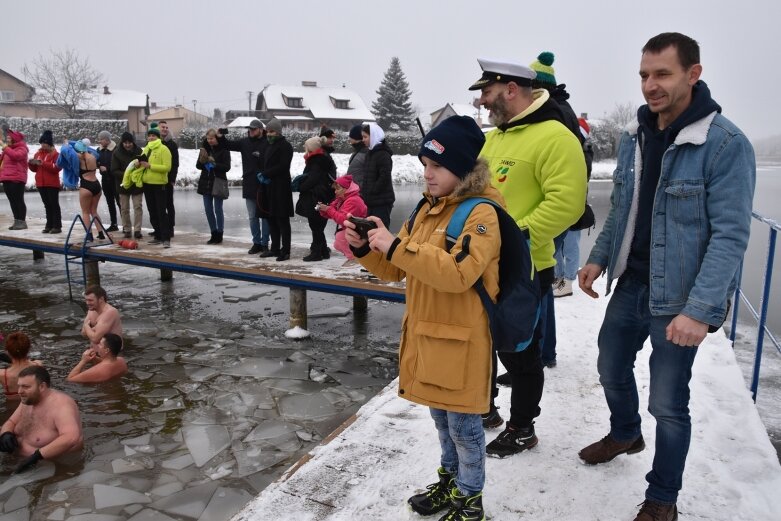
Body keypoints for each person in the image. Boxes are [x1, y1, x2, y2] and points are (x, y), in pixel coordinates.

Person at [577, 33, 756, 521]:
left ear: (692, 75)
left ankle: (662, 498)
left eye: (662, 74)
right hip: (631, 282)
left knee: (669, 404)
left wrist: (698, 311)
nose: (650, 86)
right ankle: (624, 433)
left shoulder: (724, 144)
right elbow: (622, 208)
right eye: (643, 75)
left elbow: (730, 236)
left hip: (677, 297)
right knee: (610, 368)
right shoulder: (633, 137)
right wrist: (599, 256)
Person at [345, 115, 497, 520]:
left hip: (463, 343)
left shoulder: (482, 214)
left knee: (465, 431)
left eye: (436, 166)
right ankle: (450, 482)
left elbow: (459, 272)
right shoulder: (426, 210)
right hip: (428, 338)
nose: (426, 173)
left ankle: (470, 500)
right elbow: (398, 269)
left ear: (462, 169)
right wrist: (368, 248)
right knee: (444, 426)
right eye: (425, 164)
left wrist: (396, 246)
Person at [468, 58, 586, 453]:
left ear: (511, 88)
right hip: (482, 262)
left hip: (524, 265)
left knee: (520, 351)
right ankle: (486, 409)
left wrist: (515, 236)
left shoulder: (556, 136)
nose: (482, 101)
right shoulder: (495, 138)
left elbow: (567, 204)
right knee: (481, 339)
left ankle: (522, 428)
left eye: (487, 91)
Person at [0, 366, 83, 473]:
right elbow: (11, 421)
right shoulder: (28, 399)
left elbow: (71, 437)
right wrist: (6, 434)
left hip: (46, 467)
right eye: (19, 386)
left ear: (42, 386)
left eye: (25, 386)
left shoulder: (61, 405)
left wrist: (37, 456)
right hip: (16, 459)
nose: (19, 391)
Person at [553, 116, 594, 299]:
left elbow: (578, 179)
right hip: (563, 205)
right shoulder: (576, 149)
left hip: (575, 207)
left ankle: (568, 281)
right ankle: (559, 278)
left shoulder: (584, 153)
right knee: (558, 246)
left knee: (570, 246)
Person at [219, 120, 270, 254]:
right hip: (249, 183)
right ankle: (256, 243)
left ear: (260, 129)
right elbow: (227, 145)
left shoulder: (267, 142)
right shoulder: (244, 142)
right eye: (250, 129)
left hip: (263, 185)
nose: (251, 131)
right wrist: (221, 136)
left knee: (265, 216)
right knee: (252, 216)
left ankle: (265, 243)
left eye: (254, 129)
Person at [257, 118, 294, 262]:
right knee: (271, 218)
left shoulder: (285, 146)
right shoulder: (268, 146)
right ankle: (275, 248)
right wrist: (262, 174)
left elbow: (283, 166)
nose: (268, 134)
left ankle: (286, 250)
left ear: (278, 132)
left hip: (281, 187)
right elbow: (265, 163)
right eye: (268, 131)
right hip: (269, 187)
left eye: (271, 131)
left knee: (282, 220)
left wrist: (266, 174)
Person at [296, 136, 336, 262]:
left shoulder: (316, 161)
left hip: (316, 196)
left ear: (311, 149)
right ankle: (323, 251)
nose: (305, 150)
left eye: (306, 148)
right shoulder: (321, 159)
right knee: (318, 225)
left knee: (316, 225)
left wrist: (300, 187)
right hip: (321, 195)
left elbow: (312, 179)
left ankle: (317, 253)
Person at [316, 174, 367, 264]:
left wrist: (329, 209)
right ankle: (354, 256)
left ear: (346, 189)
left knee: (340, 239)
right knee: (337, 244)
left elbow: (344, 220)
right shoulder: (341, 199)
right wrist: (323, 210)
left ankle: (354, 259)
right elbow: (332, 213)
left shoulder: (353, 200)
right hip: (352, 228)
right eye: (335, 189)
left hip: (360, 230)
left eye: (338, 189)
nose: (335, 192)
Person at [195, 129, 231, 245]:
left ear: (216, 138)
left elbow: (227, 167)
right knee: (208, 209)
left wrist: (214, 165)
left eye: (212, 138)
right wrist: (202, 161)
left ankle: (220, 233)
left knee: (218, 209)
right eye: (208, 138)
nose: (209, 141)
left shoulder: (224, 149)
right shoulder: (204, 149)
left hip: (218, 182)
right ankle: (213, 233)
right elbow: (198, 166)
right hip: (206, 182)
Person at [140, 122, 173, 248]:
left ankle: (166, 238)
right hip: (147, 184)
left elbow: (167, 167)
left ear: (158, 137)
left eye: (154, 136)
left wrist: (150, 166)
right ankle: (158, 235)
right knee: (152, 211)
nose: (151, 138)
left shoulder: (164, 149)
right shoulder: (147, 148)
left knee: (161, 212)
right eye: (150, 136)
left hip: (159, 185)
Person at [360, 122, 394, 228]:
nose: (363, 140)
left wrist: (372, 190)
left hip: (381, 202)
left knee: (379, 232)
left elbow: (384, 177)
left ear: (374, 136)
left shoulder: (383, 154)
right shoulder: (370, 153)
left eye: (365, 137)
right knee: (370, 232)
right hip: (371, 201)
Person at [111, 132, 144, 239]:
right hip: (123, 185)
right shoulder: (117, 153)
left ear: (132, 142)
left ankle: (138, 230)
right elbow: (114, 170)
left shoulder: (139, 151)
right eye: (125, 142)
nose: (127, 145)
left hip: (136, 184)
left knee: (138, 207)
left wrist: (136, 174)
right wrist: (127, 174)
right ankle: (127, 229)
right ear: (122, 142)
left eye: (129, 142)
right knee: (124, 208)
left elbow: (143, 166)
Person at [28, 130, 62, 234]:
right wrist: (31, 164)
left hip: (52, 183)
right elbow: (35, 170)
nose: (43, 145)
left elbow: (56, 168)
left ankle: (57, 226)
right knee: (47, 205)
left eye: (45, 143)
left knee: (54, 204)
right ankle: (49, 225)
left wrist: (43, 163)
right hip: (41, 183)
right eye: (41, 143)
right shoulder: (38, 153)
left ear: (49, 143)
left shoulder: (56, 154)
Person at [74, 139, 106, 240]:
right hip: (96, 185)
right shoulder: (93, 156)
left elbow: (68, 153)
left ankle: (89, 235)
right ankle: (101, 233)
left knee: (85, 212)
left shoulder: (80, 157)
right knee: (94, 211)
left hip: (86, 186)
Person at [0, 129, 30, 230]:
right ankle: (17, 221)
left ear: (14, 139)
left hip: (17, 179)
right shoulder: (8, 149)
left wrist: (4, 147)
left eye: (9, 138)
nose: (7, 139)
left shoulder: (22, 148)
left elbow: (15, 156)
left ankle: (22, 222)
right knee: (12, 201)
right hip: (6, 178)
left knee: (18, 200)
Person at [1, 332, 43, 401]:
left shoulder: (2, 375)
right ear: (29, 349)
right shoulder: (38, 365)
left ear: (7, 352)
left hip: (12, 409)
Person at [81, 285, 123, 351]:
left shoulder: (110, 312)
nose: (87, 303)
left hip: (111, 356)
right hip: (96, 353)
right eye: (86, 300)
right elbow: (83, 333)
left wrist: (87, 326)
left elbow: (95, 339)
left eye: (90, 300)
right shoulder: (91, 310)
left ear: (101, 299)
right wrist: (93, 331)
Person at [96, 131, 119, 232]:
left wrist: (108, 169)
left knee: (120, 202)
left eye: (101, 139)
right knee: (110, 203)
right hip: (105, 179)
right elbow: (96, 162)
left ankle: (126, 226)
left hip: (115, 180)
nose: (100, 141)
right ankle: (114, 224)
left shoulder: (116, 149)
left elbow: (119, 164)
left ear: (107, 139)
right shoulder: (99, 150)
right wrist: (98, 165)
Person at [159, 121, 179, 239]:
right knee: (158, 205)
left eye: (166, 127)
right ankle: (160, 227)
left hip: (167, 179)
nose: (165, 129)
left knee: (169, 204)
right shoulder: (152, 143)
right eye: (163, 127)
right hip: (156, 180)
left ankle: (170, 228)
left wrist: (172, 178)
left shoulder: (172, 144)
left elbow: (175, 163)